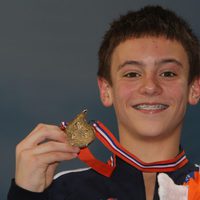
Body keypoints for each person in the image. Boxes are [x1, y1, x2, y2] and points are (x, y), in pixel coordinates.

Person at [8, 5, 200, 200]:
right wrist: (25, 194)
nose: (150, 87)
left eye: (168, 73)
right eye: (132, 74)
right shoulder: (64, 191)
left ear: (194, 89)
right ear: (106, 90)